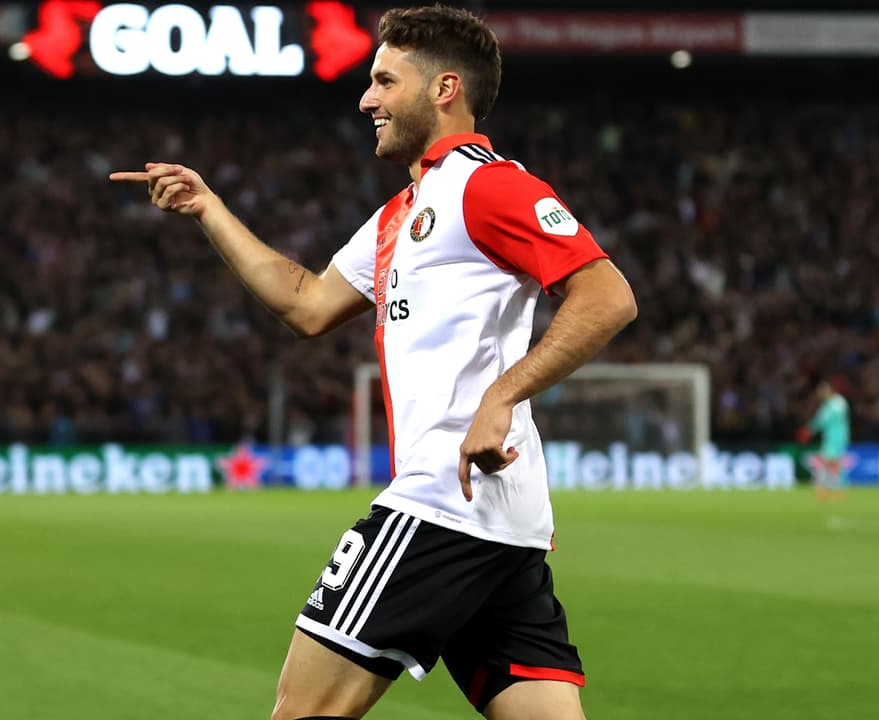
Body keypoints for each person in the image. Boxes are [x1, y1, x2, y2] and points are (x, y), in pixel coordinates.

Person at [111, 7, 636, 719]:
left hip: (442, 504)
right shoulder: (404, 213)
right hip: (502, 523)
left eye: (386, 81)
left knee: (304, 710)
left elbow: (607, 296)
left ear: (445, 89)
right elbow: (307, 303)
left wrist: (501, 395)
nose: (366, 100)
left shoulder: (488, 186)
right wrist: (210, 209)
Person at [801, 380, 851, 501]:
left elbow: (822, 420)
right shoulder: (828, 405)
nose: (822, 394)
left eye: (823, 391)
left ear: (829, 390)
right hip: (831, 437)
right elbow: (820, 420)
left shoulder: (837, 402)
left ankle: (825, 489)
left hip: (837, 438)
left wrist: (809, 430)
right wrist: (809, 429)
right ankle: (835, 489)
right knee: (831, 462)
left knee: (827, 461)